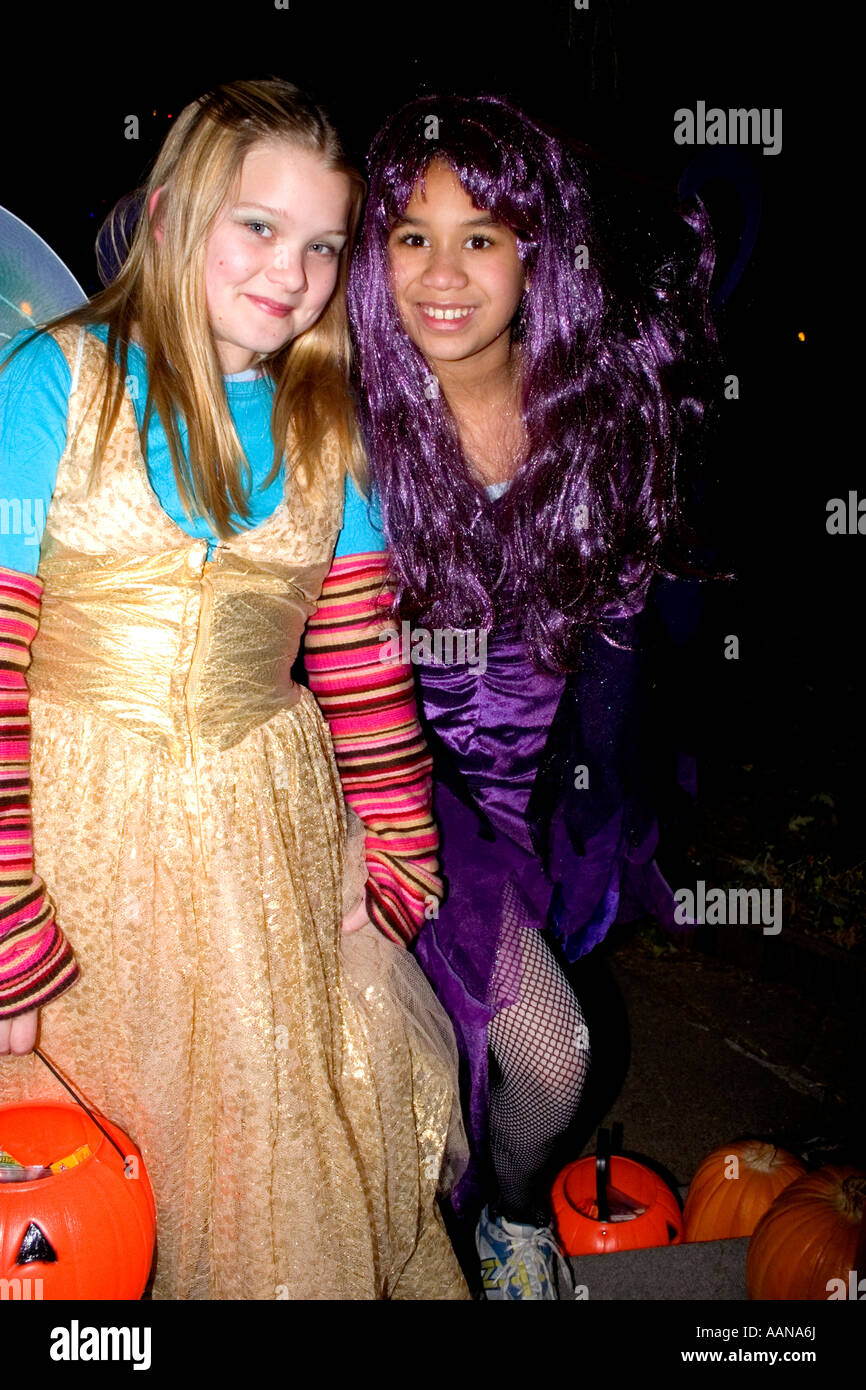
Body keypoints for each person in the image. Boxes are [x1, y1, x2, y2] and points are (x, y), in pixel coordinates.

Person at [0, 78, 468, 1300]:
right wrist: (4, 916)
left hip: (263, 856)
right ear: (170, 214)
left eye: (321, 245)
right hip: (71, 851)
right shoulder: (57, 381)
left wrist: (402, 858)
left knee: (260, 1161)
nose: (291, 272)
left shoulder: (327, 427)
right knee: (89, 1196)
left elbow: (365, 671)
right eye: (257, 227)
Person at [345, 94, 716, 1298]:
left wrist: (597, 820)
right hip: (400, 786)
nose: (439, 274)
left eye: (480, 236)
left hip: (538, 800)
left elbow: (612, 652)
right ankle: (501, 1224)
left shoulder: (601, 425)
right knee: (548, 1054)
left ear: (536, 252)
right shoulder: (342, 422)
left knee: (500, 1052)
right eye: (409, 234)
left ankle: (499, 1220)